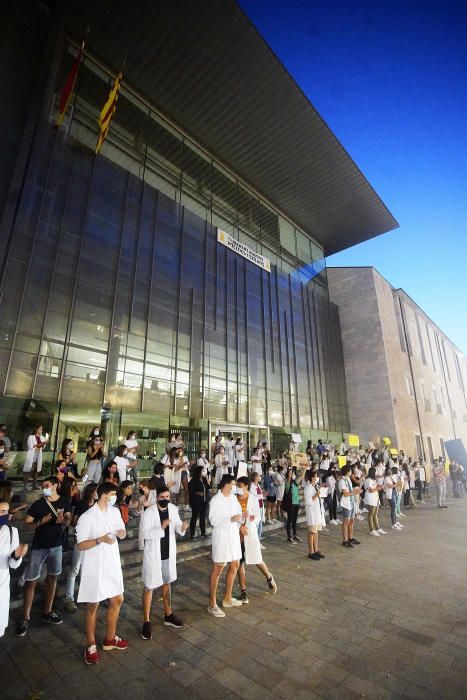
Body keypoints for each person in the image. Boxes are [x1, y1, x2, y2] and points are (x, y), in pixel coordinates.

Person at [76, 482, 128, 665]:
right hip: (94, 565)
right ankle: (90, 644)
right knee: (93, 604)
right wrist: (99, 539)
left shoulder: (114, 512)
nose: (113, 497)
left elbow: (121, 529)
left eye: (115, 494)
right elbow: (80, 544)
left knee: (117, 599)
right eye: (111, 494)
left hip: (112, 562)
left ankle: (110, 638)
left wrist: (122, 533)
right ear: (102, 494)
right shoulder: (87, 517)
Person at [16, 476, 71, 636]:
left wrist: (64, 520)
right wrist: (42, 521)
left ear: (55, 485)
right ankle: (25, 617)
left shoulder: (64, 501)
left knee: (53, 578)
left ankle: (47, 611)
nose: (44, 487)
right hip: (39, 546)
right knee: (31, 580)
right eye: (43, 485)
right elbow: (27, 524)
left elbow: (68, 521)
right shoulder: (38, 504)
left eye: (47, 485)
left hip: (56, 545)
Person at [140, 485, 188, 639]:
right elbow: (144, 534)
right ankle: (146, 621)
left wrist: (183, 527)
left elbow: (178, 526)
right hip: (154, 554)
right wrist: (161, 527)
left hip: (168, 552)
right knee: (149, 586)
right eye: (162, 497)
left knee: (166, 583)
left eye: (167, 497)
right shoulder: (149, 512)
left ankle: (168, 614)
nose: (165, 500)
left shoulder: (173, 509)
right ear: (157, 497)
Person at [235, 476, 277, 603]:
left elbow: (258, 516)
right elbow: (232, 516)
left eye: (240, 486)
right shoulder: (234, 499)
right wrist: (239, 524)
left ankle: (269, 577)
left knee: (257, 560)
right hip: (237, 535)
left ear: (246, 486)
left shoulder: (252, 499)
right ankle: (243, 592)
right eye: (237, 486)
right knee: (239, 563)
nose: (238, 488)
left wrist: (252, 518)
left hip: (250, 533)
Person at [208, 474, 243, 618]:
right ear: (226, 485)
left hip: (233, 535)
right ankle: (212, 604)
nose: (235, 487)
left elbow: (238, 514)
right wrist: (230, 519)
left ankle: (227, 598)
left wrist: (242, 522)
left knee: (235, 564)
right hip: (222, 537)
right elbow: (213, 520)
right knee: (218, 568)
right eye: (233, 484)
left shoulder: (234, 498)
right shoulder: (216, 500)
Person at [64, 481, 98, 613]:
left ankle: (86, 595)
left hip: (93, 541)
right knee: (75, 569)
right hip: (81, 541)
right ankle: (69, 599)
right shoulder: (82, 504)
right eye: (96, 491)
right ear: (91, 491)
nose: (98, 493)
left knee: (88, 570)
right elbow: (74, 521)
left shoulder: (97, 505)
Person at [0, 500, 28, 637]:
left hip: (2, 585)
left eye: (5, 511)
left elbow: (13, 565)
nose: (3, 514)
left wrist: (16, 556)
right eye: (1, 511)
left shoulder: (12, 532)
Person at [303, 470, 325, 560]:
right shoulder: (308, 488)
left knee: (315, 532)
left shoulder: (315, 486)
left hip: (317, 513)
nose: (317, 478)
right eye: (316, 476)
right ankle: (311, 552)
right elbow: (308, 502)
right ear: (312, 478)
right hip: (312, 513)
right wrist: (316, 495)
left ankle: (316, 550)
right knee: (311, 532)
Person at [338, 465, 360, 548]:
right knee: (346, 522)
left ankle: (350, 537)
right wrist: (354, 493)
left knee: (351, 521)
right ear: (347, 471)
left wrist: (356, 491)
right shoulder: (342, 481)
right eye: (350, 471)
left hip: (351, 503)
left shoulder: (348, 479)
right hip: (346, 504)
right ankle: (345, 540)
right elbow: (345, 494)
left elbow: (350, 491)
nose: (351, 472)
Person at [23, 425, 48, 491]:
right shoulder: (31, 437)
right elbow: (31, 446)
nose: (41, 430)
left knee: (36, 470)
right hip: (32, 455)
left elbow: (43, 447)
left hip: (38, 455)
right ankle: (25, 485)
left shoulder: (42, 437)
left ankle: (35, 484)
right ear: (36, 429)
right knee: (28, 470)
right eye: (40, 429)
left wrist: (43, 444)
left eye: (42, 429)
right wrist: (42, 444)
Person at [188, 465, 209, 538]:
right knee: (194, 517)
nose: (203, 472)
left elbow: (208, 487)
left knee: (203, 517)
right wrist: (197, 493)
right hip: (196, 502)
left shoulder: (204, 479)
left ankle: (203, 532)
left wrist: (207, 479)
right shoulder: (193, 480)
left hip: (204, 501)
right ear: (198, 472)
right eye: (202, 471)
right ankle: (192, 534)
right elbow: (190, 491)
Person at [364, 467, 385, 536]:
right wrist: (378, 488)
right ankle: (371, 529)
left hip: (375, 498)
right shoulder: (368, 480)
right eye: (375, 472)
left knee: (375, 513)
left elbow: (374, 488)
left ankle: (377, 528)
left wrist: (380, 486)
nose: (376, 473)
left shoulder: (373, 480)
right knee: (371, 514)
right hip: (371, 498)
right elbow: (371, 490)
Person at [283, 468, 302, 544]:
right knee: (289, 520)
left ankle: (294, 535)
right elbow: (287, 490)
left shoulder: (295, 482)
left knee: (294, 520)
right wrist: (291, 479)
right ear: (288, 474)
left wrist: (304, 469)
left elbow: (301, 477)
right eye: (290, 473)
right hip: (291, 503)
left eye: (293, 473)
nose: (292, 474)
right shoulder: (287, 482)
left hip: (296, 502)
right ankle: (289, 536)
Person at [249, 472, 265, 542]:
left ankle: (259, 539)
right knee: (257, 524)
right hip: (256, 508)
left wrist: (262, 494)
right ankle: (256, 541)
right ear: (255, 477)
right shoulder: (252, 486)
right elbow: (253, 497)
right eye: (258, 476)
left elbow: (259, 494)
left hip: (260, 506)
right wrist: (262, 495)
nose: (260, 477)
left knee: (260, 524)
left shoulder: (258, 485)